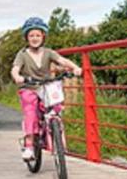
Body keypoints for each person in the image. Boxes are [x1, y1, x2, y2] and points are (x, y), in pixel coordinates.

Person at [11, 17, 82, 160]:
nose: (35, 38)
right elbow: (15, 69)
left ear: (43, 36)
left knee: (56, 108)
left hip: (46, 86)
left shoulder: (48, 52)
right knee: (30, 113)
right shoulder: (22, 54)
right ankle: (30, 145)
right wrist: (17, 76)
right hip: (29, 87)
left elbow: (62, 60)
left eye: (37, 35)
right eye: (31, 35)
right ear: (26, 37)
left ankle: (58, 139)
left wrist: (74, 67)